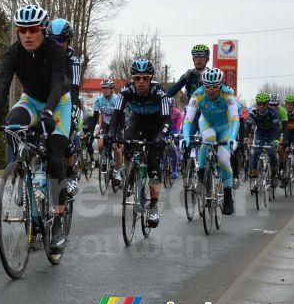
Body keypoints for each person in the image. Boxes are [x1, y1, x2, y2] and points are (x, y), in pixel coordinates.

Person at [0, 4, 70, 252]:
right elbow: (3, 90)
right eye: (22, 30)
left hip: (57, 103)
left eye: (33, 29)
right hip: (30, 100)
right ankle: (22, 168)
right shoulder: (12, 53)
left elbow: (57, 84)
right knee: (11, 124)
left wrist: (49, 111)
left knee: (54, 156)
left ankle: (58, 222)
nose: (27, 35)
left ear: (43, 30)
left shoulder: (55, 52)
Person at [109, 58, 170, 228]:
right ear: (133, 79)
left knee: (152, 164)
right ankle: (131, 171)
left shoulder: (160, 93)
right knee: (128, 143)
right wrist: (111, 134)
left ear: (151, 78)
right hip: (136, 123)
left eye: (145, 78)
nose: (141, 82)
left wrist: (161, 136)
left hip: (156, 127)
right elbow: (117, 115)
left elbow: (166, 119)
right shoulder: (126, 91)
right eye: (137, 78)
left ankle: (154, 206)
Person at [181, 67, 240, 215]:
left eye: (215, 87)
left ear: (220, 85)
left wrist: (232, 138)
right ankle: (202, 177)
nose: (211, 90)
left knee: (223, 158)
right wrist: (186, 137)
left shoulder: (228, 94)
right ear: (203, 85)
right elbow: (188, 120)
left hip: (226, 126)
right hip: (207, 123)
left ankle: (227, 197)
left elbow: (235, 120)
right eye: (208, 87)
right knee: (207, 141)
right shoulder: (197, 95)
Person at [47, 18, 81, 196]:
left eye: (61, 41)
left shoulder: (72, 58)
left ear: (68, 41)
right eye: (52, 40)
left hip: (68, 100)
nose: (56, 44)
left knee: (67, 134)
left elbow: (74, 87)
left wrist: (74, 109)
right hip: (47, 99)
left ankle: (71, 172)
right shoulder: (42, 52)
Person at [92, 79, 123, 186]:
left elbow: (121, 116)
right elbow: (95, 117)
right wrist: (92, 131)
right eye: (103, 88)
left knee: (118, 149)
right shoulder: (98, 100)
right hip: (105, 125)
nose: (105, 90)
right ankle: (104, 159)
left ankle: (118, 172)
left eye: (107, 88)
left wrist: (119, 132)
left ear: (111, 89)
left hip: (117, 124)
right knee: (100, 145)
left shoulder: (117, 99)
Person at [247, 92, 281, 188]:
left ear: (267, 104)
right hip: (260, 132)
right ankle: (254, 176)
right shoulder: (253, 112)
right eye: (259, 104)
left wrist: (277, 140)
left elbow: (277, 128)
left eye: (264, 104)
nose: (261, 106)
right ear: (257, 104)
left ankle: (274, 174)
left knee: (271, 152)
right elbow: (248, 126)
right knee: (256, 151)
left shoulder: (273, 112)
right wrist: (245, 139)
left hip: (271, 133)